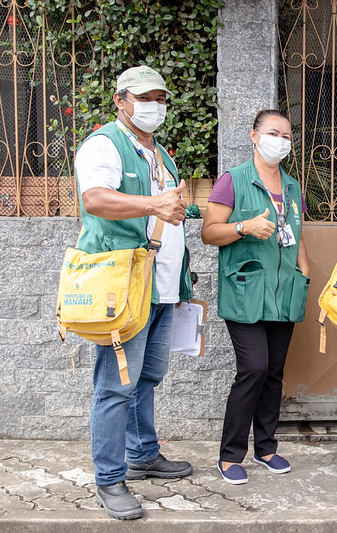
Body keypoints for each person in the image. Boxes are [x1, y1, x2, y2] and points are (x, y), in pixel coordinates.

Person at [73, 65, 194, 520]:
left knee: (148, 377)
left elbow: (167, 209)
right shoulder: (105, 144)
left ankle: (142, 453)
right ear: (120, 100)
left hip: (160, 286)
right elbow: (95, 199)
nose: (155, 105)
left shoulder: (159, 151)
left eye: (162, 97)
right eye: (145, 97)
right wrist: (154, 203)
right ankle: (109, 478)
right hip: (124, 286)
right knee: (115, 386)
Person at [201, 109, 310, 485]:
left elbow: (296, 234)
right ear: (253, 136)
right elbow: (209, 233)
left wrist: (304, 274)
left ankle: (266, 447)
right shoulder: (233, 180)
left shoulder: (293, 186)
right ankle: (231, 454)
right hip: (246, 291)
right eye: (272, 133)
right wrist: (243, 227)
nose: (280, 140)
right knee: (254, 369)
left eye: (286, 135)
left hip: (284, 291)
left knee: (275, 373)